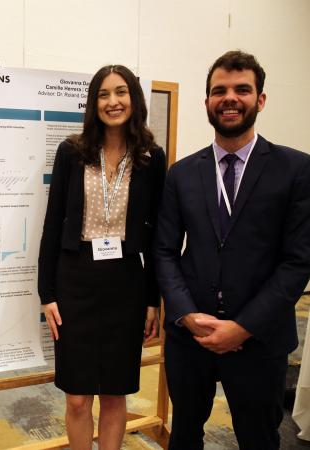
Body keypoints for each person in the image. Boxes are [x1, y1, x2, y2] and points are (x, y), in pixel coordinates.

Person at [154, 50, 310, 449]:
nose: (230, 98)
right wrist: (187, 316)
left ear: (260, 99)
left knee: (258, 439)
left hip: (259, 340)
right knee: (185, 433)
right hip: (192, 339)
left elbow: (297, 262)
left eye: (242, 89)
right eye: (219, 90)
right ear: (206, 101)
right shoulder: (183, 173)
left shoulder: (295, 169)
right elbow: (165, 251)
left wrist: (243, 327)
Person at [38, 65, 166, 450]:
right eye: (104, 94)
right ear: (94, 103)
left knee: (114, 394)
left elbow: (159, 233)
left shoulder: (150, 157)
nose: (113, 102)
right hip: (75, 280)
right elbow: (52, 222)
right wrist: (47, 294)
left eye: (121, 92)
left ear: (134, 99)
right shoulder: (72, 153)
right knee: (77, 397)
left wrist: (152, 300)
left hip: (126, 282)